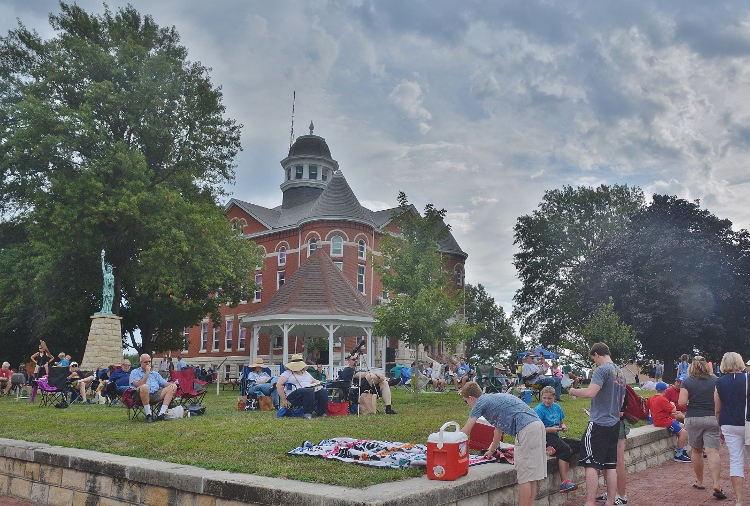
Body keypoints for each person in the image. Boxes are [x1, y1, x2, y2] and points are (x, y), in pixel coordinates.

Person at [460, 381, 546, 506]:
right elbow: (497, 430)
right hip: (537, 426)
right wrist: (491, 450)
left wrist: (449, 439)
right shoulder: (495, 398)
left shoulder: (480, 403)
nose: (467, 404)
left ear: (471, 398)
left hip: (526, 429)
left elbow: (466, 430)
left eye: (465, 401)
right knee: (532, 476)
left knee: (525, 477)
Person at [568, 342, 626, 506]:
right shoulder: (620, 373)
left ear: (597, 355)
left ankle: (590, 502)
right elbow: (621, 402)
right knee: (610, 465)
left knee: (590, 464)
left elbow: (590, 392)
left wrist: (572, 391)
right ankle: (610, 502)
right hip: (614, 423)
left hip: (599, 423)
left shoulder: (602, 370)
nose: (594, 363)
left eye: (593, 359)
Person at [678, 356, 724, 499]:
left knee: (697, 451)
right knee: (712, 451)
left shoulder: (687, 382)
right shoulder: (716, 381)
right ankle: (716, 483)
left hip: (693, 418)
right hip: (712, 417)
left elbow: (682, 403)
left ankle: (700, 481)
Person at [714, 351, 747, 506]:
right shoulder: (748, 378)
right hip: (747, 422)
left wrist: (720, 428)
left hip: (728, 423)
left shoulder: (719, 382)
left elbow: (717, 409)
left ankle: (739, 501)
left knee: (736, 461)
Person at [533, 386, 579, 492]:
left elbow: (561, 422)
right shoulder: (539, 410)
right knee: (564, 449)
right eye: (544, 398)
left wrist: (563, 426)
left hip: (555, 435)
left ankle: (555, 451)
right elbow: (536, 429)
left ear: (554, 397)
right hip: (545, 436)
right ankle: (564, 482)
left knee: (579, 444)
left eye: (549, 398)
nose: (546, 401)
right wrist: (551, 429)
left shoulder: (557, 407)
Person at [646, 382, 691, 462]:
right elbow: (673, 409)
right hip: (664, 421)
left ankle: (682, 449)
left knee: (682, 425)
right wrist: (672, 404)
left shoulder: (652, 398)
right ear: (665, 390)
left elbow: (649, 406)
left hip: (658, 419)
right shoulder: (662, 399)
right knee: (683, 433)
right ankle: (679, 454)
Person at [275, 353, 328, 419]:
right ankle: (307, 413)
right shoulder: (287, 373)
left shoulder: (305, 373)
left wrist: (319, 383)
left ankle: (321, 412)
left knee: (323, 392)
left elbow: (314, 381)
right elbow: (279, 385)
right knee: (308, 391)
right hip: (294, 394)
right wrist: (284, 400)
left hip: (309, 392)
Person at [129, 353, 178, 423]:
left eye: (149, 361)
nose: (148, 363)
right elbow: (138, 385)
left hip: (154, 394)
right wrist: (147, 373)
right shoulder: (135, 372)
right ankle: (148, 415)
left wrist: (172, 384)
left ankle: (161, 414)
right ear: (140, 363)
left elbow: (165, 384)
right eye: (145, 362)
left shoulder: (155, 374)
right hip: (140, 395)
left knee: (172, 387)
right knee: (144, 387)